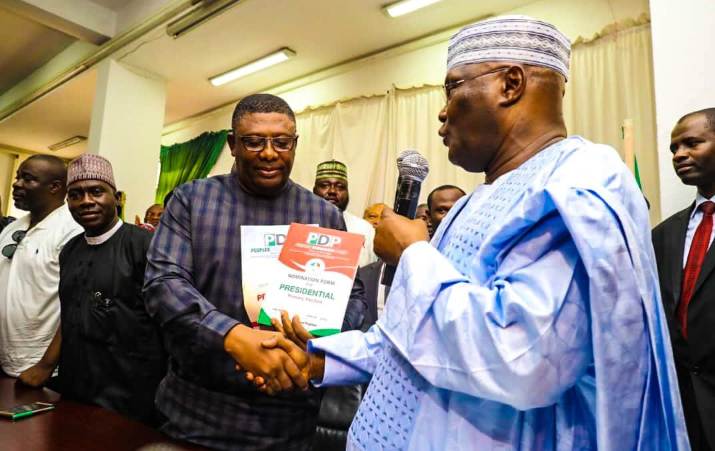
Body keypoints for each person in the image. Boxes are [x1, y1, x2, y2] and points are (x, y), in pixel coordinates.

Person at [249, 16, 689, 450]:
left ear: (510, 84)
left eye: (452, 87)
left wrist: (412, 255)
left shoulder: (579, 182)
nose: (442, 111)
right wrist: (320, 359)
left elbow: (526, 361)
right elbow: (410, 333)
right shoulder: (472, 202)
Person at [143, 93, 367, 450]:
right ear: (232, 144)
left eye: (281, 142)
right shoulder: (192, 200)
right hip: (197, 412)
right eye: (253, 141)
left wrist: (316, 340)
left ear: (294, 145)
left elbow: (353, 297)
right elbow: (163, 285)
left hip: (290, 417)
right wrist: (233, 336)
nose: (269, 153)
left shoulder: (323, 215)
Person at [17, 154, 167, 426]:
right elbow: (70, 313)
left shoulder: (147, 246)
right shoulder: (71, 250)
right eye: (75, 195)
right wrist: (45, 366)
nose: (86, 201)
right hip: (75, 388)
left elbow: (170, 324)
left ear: (117, 197)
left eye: (96, 191)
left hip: (130, 398)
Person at [653, 108, 715, 451]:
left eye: (692, 143)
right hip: (682, 410)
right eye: (674, 148)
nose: (679, 155)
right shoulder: (663, 235)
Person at [0, 155, 82, 377]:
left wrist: (45, 365)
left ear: (55, 187)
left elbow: (77, 306)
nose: (17, 184)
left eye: (28, 179)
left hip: (39, 366)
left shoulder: (72, 232)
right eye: (17, 177)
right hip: (4, 357)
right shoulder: (12, 228)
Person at [313, 160, 377, 267]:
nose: (332, 191)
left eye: (340, 187)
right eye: (324, 185)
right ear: (314, 191)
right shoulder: (301, 223)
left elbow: (371, 271)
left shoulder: (364, 228)